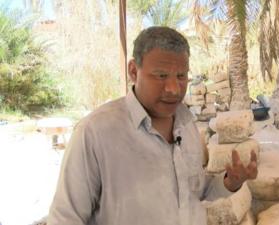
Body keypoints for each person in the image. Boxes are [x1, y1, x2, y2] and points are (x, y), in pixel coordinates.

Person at [47, 26, 258, 225]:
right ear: (133, 71)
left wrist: (230, 182)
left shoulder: (186, 122)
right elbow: (65, 218)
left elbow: (193, 191)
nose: (174, 89)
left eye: (181, 76)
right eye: (161, 76)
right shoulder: (95, 132)